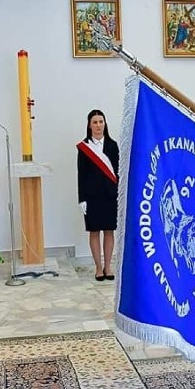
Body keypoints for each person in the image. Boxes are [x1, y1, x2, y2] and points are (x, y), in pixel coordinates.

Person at [77, 110, 120, 281]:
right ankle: (98, 267)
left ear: (105, 124)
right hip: (92, 196)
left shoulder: (113, 145)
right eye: (94, 122)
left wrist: (120, 194)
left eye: (101, 121)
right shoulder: (84, 147)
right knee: (94, 232)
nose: (98, 125)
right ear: (89, 125)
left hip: (110, 195)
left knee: (109, 231)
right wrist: (82, 199)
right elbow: (81, 174)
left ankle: (108, 266)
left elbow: (118, 171)